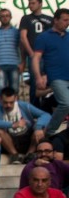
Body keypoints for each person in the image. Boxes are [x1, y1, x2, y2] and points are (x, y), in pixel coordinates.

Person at [0, 87, 50, 164]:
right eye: (5, 102)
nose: (8, 105)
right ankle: (15, 155)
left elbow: (46, 115)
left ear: (16, 98)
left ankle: (29, 155)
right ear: (0, 99)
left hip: (27, 137)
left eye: (11, 102)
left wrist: (38, 127)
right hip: (10, 140)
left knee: (42, 129)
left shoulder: (24, 106)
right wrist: (12, 124)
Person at [32, 8, 69, 138]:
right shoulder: (44, 37)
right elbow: (36, 58)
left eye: (68, 20)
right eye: (65, 20)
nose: (67, 23)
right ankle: (50, 131)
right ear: (56, 20)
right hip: (57, 77)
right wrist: (38, 77)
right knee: (66, 103)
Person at [20, 0, 53, 106]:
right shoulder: (26, 18)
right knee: (35, 81)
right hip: (34, 54)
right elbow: (23, 37)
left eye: (33, 3)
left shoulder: (49, 19)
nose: (30, 5)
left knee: (49, 81)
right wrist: (31, 53)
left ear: (40, 3)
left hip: (48, 55)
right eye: (29, 3)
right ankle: (34, 108)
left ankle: (48, 106)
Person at [0, 8, 23, 96]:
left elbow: (22, 48)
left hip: (14, 64)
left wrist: (22, 63)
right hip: (0, 65)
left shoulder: (17, 32)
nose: (5, 18)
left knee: (15, 90)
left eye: (7, 16)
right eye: (2, 16)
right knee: (1, 89)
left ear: (11, 17)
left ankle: (15, 108)